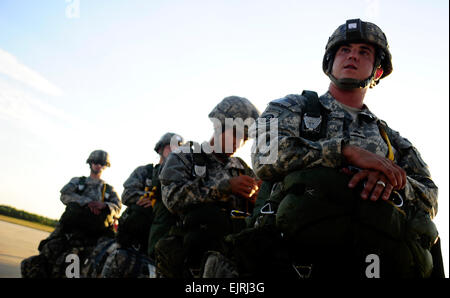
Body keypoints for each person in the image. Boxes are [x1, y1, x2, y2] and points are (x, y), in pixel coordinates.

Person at [250, 19, 441, 278]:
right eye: (345, 49)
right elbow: (265, 157)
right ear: (330, 61)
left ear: (378, 71)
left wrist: (390, 180)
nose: (352, 56)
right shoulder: (290, 107)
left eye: (364, 52)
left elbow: (430, 195)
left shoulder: (392, 141)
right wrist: (344, 152)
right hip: (295, 260)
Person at [155, 96, 261, 277]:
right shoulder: (185, 155)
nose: (238, 143)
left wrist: (255, 200)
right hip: (193, 256)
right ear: (218, 126)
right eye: (235, 134)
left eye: (244, 138)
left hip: (234, 255)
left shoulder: (241, 168)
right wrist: (225, 188)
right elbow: (172, 198)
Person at [91, 132, 183, 278]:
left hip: (158, 247)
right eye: (170, 147)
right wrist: (150, 198)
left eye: (178, 148)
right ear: (160, 149)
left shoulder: (179, 179)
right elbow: (127, 194)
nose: (174, 150)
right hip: (131, 242)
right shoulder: (145, 172)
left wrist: (158, 200)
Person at [21, 150, 121, 278]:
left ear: (106, 166)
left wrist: (105, 206)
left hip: (95, 236)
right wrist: (86, 203)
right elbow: (64, 195)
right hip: (70, 230)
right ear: (90, 163)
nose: (98, 165)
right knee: (47, 253)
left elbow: (118, 207)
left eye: (102, 163)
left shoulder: (108, 189)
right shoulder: (78, 182)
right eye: (95, 162)